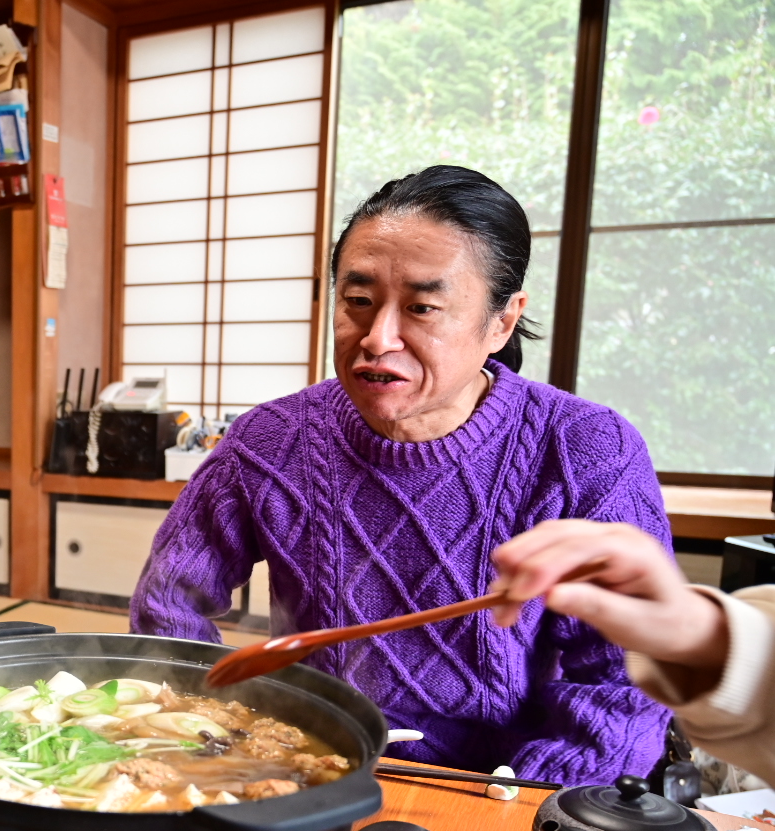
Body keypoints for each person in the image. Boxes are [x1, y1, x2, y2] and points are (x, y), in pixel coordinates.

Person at [131, 165, 673, 785]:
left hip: (501, 785)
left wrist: (529, 797)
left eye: (422, 307)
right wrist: (230, 744)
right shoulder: (270, 442)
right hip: (309, 772)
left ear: (501, 321)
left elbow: (624, 678)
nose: (377, 338)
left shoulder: (586, 450)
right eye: (357, 302)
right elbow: (168, 604)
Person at [492, 519, 775, 784]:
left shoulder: (598, 471)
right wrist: (704, 636)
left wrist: (518, 800)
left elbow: (620, 704)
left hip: (509, 794)